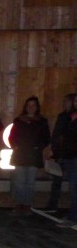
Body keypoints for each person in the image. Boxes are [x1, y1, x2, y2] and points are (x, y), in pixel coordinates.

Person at [9, 96, 51, 215]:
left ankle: (27, 204)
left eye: (33, 105)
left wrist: (39, 147)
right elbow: (12, 136)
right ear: (25, 107)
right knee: (19, 181)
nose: (31, 108)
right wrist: (15, 145)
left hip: (33, 154)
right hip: (20, 154)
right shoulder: (19, 120)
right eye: (28, 105)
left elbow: (46, 137)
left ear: (37, 107)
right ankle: (19, 204)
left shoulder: (42, 121)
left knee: (30, 181)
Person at [42, 93, 76, 213]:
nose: (63, 103)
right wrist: (54, 149)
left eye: (66, 101)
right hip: (60, 152)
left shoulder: (71, 118)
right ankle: (53, 204)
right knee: (56, 180)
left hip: (70, 153)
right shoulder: (62, 116)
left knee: (72, 182)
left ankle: (72, 210)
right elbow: (57, 134)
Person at [52, 94, 77, 228]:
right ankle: (73, 214)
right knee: (73, 188)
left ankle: (73, 217)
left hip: (74, 156)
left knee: (75, 189)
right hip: (69, 156)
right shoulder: (70, 117)